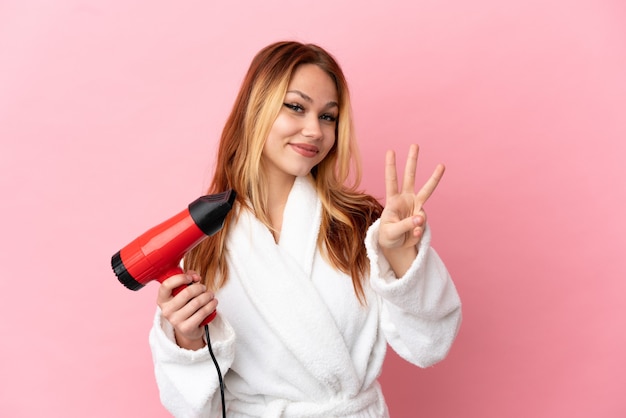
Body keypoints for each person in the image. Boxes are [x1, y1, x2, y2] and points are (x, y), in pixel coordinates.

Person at [149, 41, 462, 418]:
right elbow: (191, 405)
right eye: (296, 107)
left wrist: (399, 254)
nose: (314, 130)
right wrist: (187, 340)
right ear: (256, 109)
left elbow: (430, 343)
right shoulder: (202, 240)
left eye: (328, 117)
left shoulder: (363, 225)